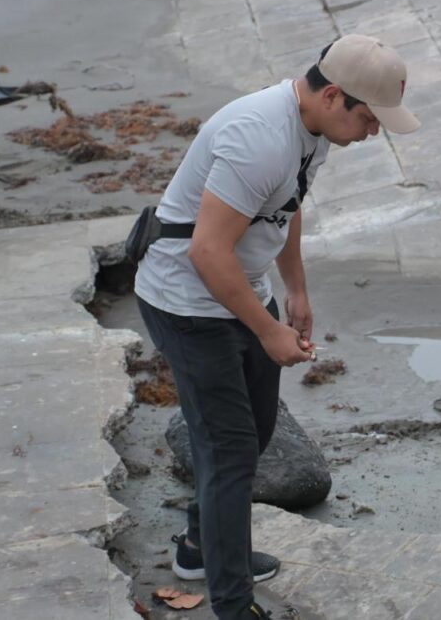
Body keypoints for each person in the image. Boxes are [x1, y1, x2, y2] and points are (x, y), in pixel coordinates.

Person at [134, 35, 419, 620]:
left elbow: (286, 206)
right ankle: (233, 604)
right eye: (369, 119)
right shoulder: (259, 139)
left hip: (240, 288)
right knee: (230, 450)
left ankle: (199, 546)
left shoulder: (315, 129)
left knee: (257, 430)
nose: (373, 133)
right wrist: (267, 330)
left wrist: (296, 289)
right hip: (186, 303)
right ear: (333, 95)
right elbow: (206, 252)